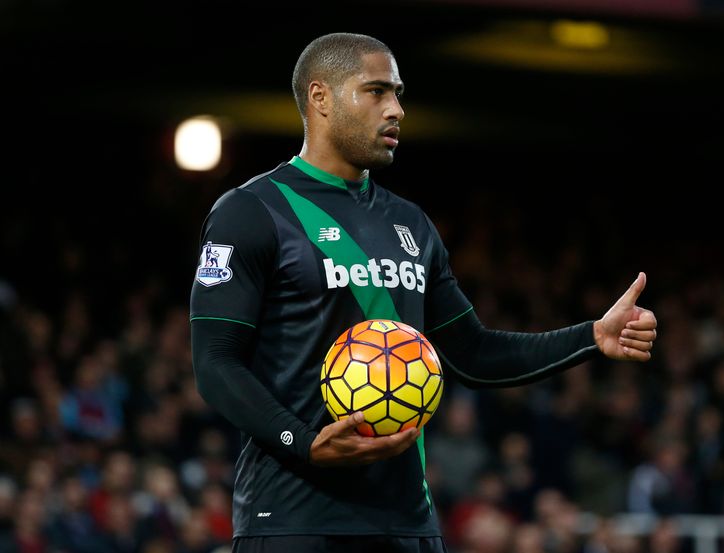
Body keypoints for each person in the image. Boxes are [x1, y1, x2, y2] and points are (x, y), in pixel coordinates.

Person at [189, 32, 658, 553]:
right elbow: (215, 361)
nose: (396, 110)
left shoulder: (409, 221)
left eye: (399, 94)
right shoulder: (253, 211)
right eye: (376, 91)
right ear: (319, 97)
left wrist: (591, 336)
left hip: (406, 522)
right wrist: (301, 442)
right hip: (291, 521)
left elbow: (474, 355)